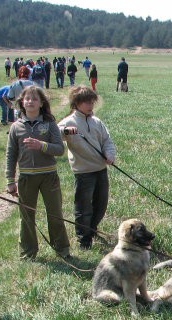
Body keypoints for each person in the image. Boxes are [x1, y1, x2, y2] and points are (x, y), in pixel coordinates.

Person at [5, 86, 70, 260]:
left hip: (49, 176)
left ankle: (62, 249)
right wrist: (10, 180)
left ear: (41, 103)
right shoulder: (16, 127)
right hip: (26, 177)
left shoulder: (49, 124)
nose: (30, 102)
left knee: (55, 214)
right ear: (21, 103)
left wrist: (42, 145)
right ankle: (28, 252)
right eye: (27, 99)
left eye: (34, 99)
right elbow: (11, 155)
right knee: (26, 217)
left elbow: (59, 149)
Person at [59, 85, 116, 250]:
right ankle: (83, 239)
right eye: (86, 102)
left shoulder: (97, 121)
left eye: (92, 101)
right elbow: (55, 133)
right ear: (76, 103)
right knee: (84, 207)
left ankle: (92, 229)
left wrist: (109, 155)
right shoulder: (68, 122)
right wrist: (66, 131)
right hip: (83, 173)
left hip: (100, 169)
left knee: (101, 204)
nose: (90, 105)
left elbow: (107, 141)